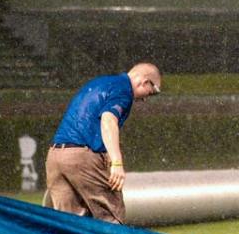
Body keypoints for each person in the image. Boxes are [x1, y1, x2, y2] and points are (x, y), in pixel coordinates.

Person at [45, 63, 162, 223]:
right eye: (151, 92)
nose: (145, 99)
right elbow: (108, 119)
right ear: (145, 81)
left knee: (69, 226)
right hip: (81, 158)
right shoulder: (123, 89)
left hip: (55, 157)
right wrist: (117, 162)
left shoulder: (99, 82)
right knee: (112, 220)